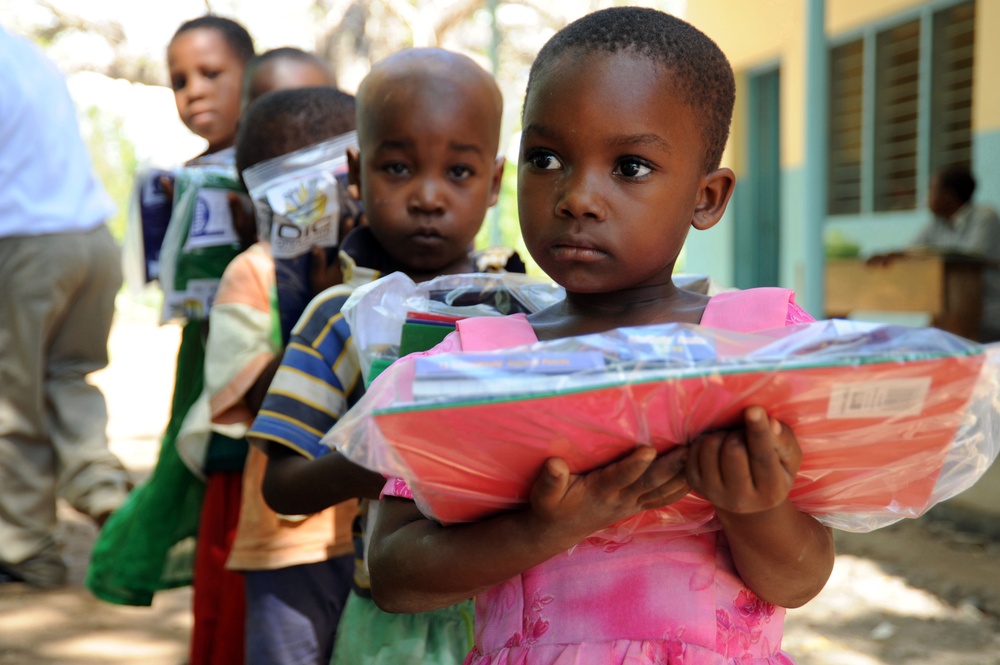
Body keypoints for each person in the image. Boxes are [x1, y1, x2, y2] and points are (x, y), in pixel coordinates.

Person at [365, 8, 835, 664]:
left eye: (632, 166)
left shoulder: (762, 349)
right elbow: (392, 571)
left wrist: (754, 506)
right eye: (547, 157)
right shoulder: (474, 361)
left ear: (707, 197)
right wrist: (548, 527)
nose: (576, 196)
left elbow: (802, 577)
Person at [247, 48, 517, 664]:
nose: (427, 196)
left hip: (517, 608)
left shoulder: (520, 306)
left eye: (459, 172)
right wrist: (383, 464)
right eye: (397, 167)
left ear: (496, 183)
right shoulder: (337, 316)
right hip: (393, 622)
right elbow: (282, 486)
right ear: (354, 173)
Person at [86, 15, 254, 607]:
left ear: (252, 78)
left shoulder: (275, 168)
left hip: (258, 359)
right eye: (180, 80)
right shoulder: (182, 176)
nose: (195, 90)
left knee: (236, 471)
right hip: (202, 352)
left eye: (211, 73)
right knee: (194, 458)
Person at [221, 85, 359, 665]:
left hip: (378, 533)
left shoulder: (386, 263)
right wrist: (323, 312)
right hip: (287, 540)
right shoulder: (250, 274)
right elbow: (252, 392)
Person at [0, 26, 132, 590]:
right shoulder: (22, 51)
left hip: (25, 244)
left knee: (11, 401)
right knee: (68, 379)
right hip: (89, 238)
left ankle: (24, 549)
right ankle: (111, 502)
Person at [868, 166, 1000, 342]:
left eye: (932, 190)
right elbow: (911, 250)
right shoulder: (937, 223)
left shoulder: (984, 217)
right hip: (951, 313)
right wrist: (893, 255)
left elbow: (968, 258)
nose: (927, 198)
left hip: (988, 313)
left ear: (949, 196)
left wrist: (921, 254)